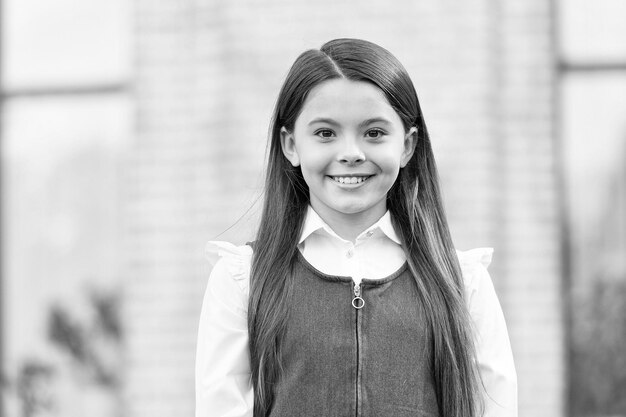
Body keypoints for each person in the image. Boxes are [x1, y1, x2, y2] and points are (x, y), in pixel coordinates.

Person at [196, 38, 517, 417]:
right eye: (326, 133)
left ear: (408, 146)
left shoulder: (462, 283)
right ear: (290, 145)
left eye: (374, 133)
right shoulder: (242, 280)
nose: (351, 153)